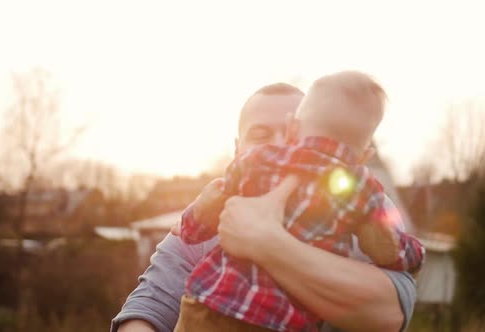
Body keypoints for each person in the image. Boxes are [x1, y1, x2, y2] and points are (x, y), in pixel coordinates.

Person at [112, 82, 418, 332]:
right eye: (261, 135)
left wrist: (264, 241)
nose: (279, 144)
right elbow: (150, 304)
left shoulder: (353, 205)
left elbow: (391, 313)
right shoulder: (211, 208)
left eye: (291, 135)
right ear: (237, 151)